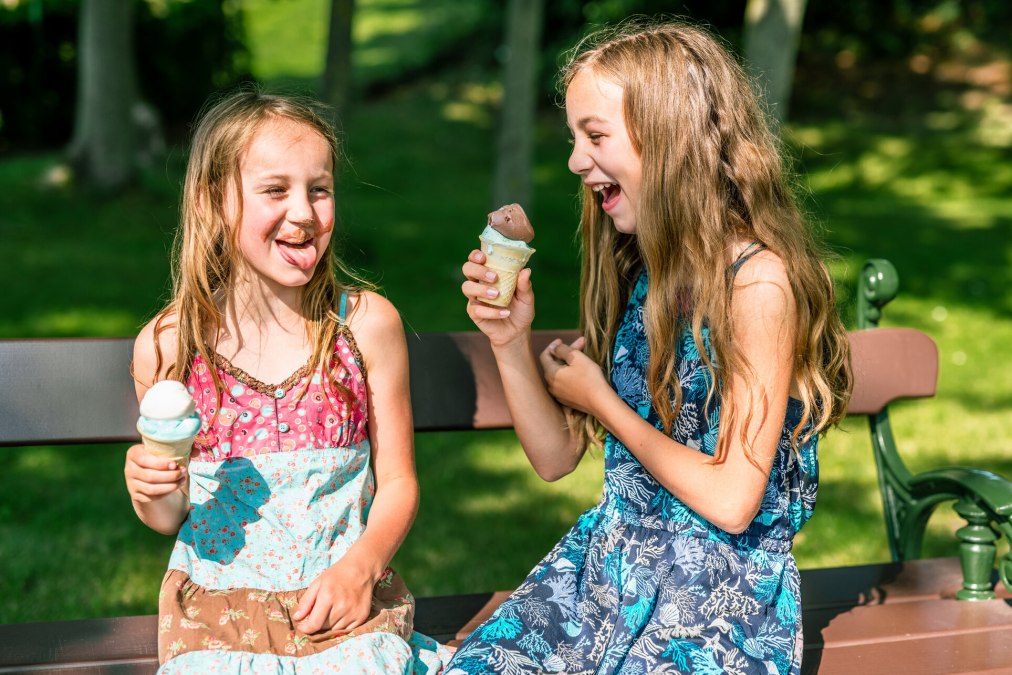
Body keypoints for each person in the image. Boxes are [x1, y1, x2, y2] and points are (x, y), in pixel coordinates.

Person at [448, 19, 852, 675]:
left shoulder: (757, 284)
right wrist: (508, 339)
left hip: (719, 602)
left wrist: (603, 402)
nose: (577, 160)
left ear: (669, 139)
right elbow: (554, 458)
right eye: (575, 137)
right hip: (605, 581)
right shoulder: (641, 272)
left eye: (596, 136)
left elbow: (732, 499)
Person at [123, 88, 453, 673]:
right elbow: (173, 515)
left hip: (343, 611)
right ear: (211, 202)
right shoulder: (171, 347)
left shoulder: (365, 327)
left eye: (319, 190)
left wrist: (360, 569)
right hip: (217, 621)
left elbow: (399, 482)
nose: (303, 212)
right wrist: (152, 492)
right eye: (275, 190)